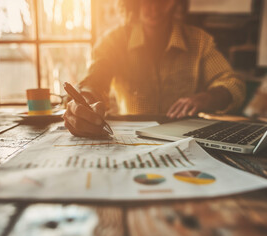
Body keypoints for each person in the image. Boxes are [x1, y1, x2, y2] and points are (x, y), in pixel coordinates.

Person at [63, 0, 246, 137]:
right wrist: (85, 99)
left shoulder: (199, 41)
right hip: (132, 138)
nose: (153, 7)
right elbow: (95, 78)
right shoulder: (114, 41)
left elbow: (233, 83)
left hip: (186, 138)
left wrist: (208, 98)